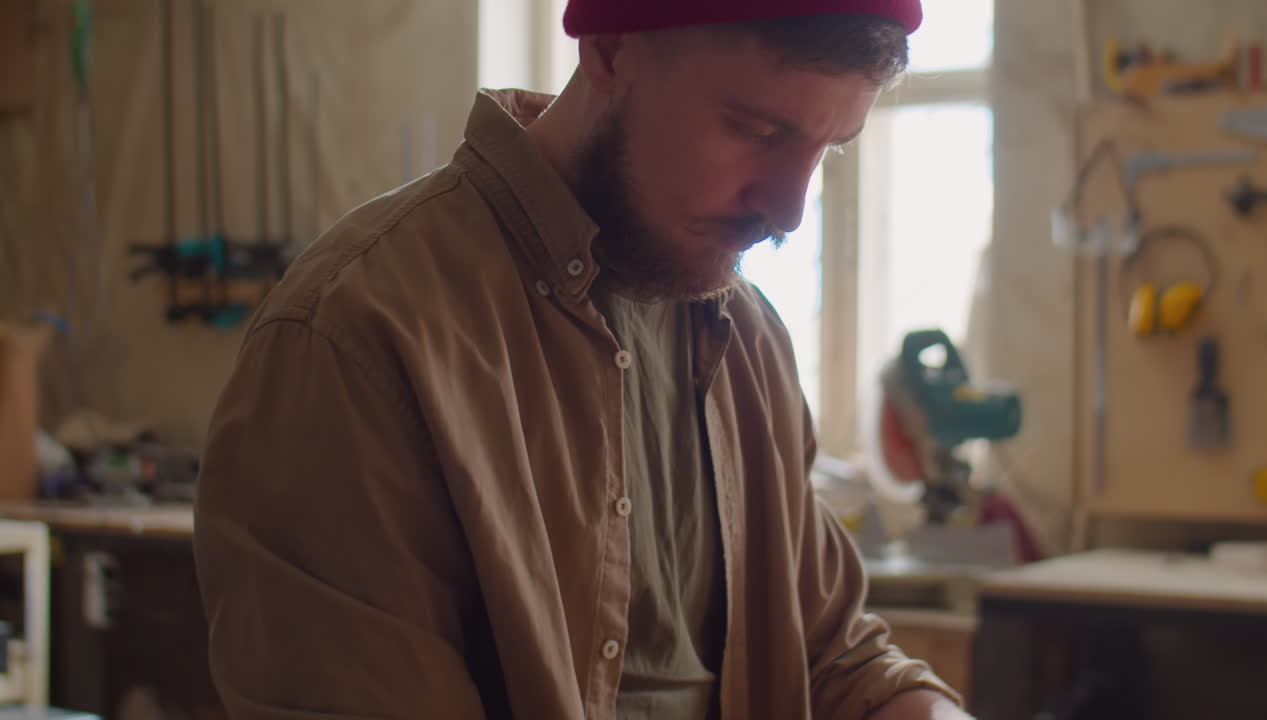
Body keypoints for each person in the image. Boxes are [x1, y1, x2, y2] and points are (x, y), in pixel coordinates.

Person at [194, 1, 974, 718]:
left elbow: (832, 658)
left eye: (828, 149)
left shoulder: (750, 340)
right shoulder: (359, 334)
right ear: (609, 48)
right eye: (757, 131)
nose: (790, 211)